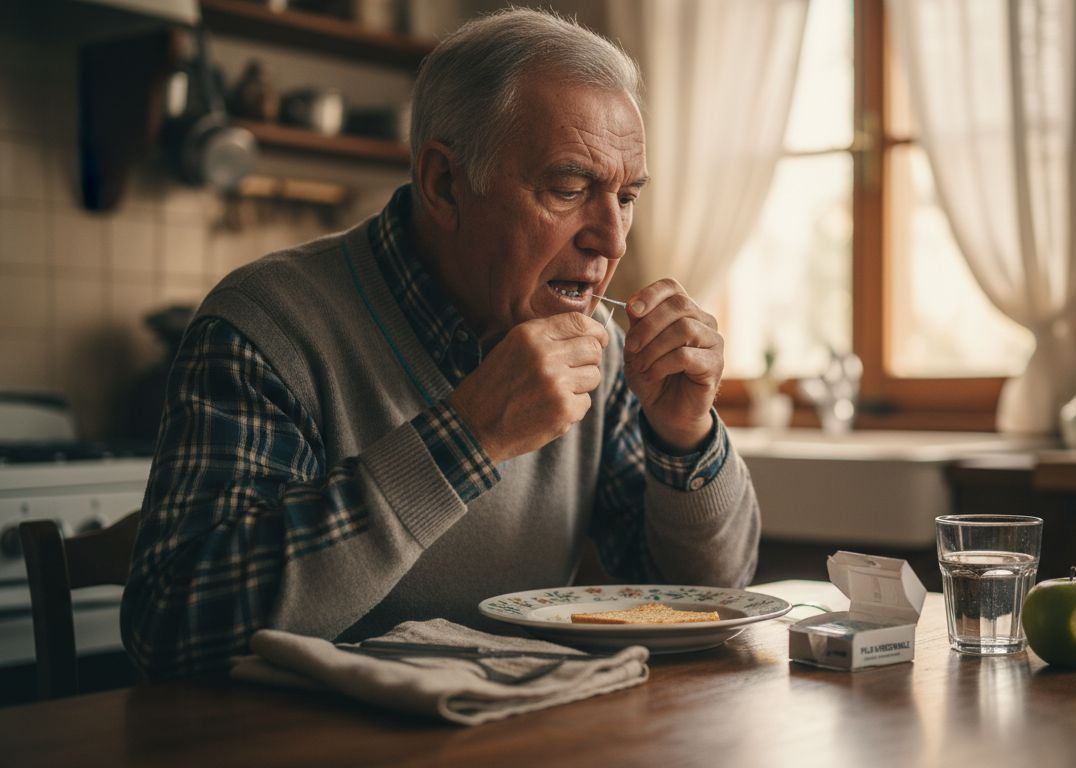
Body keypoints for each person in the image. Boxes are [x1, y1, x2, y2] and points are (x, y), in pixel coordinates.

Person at [121, 8, 761, 679]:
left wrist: (685, 438)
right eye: (570, 188)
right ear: (445, 184)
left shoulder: (600, 345)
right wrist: (467, 438)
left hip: (523, 731)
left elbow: (705, 599)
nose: (613, 237)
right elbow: (171, 627)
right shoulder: (267, 326)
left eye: (625, 196)